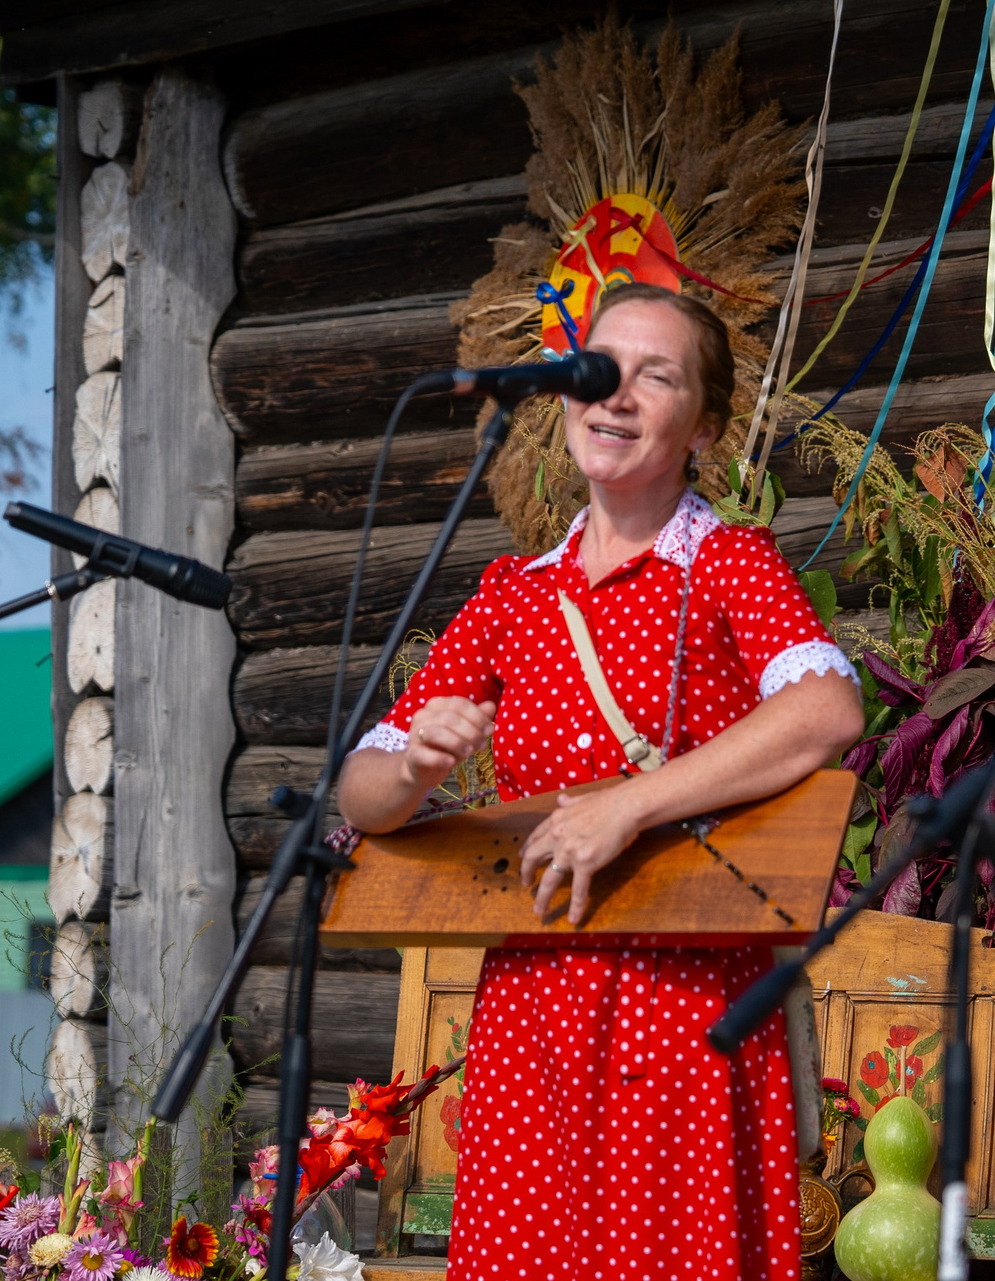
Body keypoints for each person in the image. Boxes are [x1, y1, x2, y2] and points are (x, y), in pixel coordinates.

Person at [337, 282, 866, 1281]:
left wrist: (627, 805)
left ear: (702, 426)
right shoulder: (514, 594)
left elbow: (826, 710)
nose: (616, 396)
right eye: (597, 370)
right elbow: (360, 797)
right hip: (533, 1013)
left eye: (655, 376)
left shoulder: (727, 563)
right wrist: (411, 764)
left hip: (680, 1003)